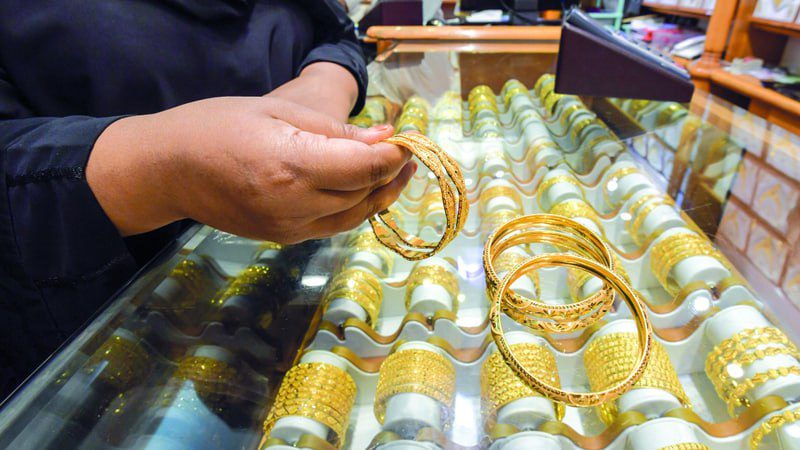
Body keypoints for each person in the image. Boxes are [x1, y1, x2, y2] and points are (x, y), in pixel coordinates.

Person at [0, 0, 414, 398]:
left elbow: (335, 31)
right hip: (108, 325)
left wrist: (327, 78)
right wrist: (162, 170)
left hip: (291, 278)